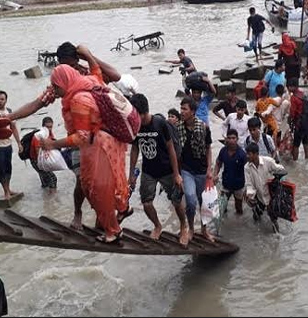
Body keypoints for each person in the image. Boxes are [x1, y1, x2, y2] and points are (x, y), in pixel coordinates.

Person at [6, 43, 122, 231]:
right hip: (76, 137)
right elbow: (36, 104)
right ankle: (78, 213)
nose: (65, 68)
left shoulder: (88, 74)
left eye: (69, 64)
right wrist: (9, 117)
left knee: (103, 182)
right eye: (62, 64)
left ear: (77, 61)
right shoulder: (60, 81)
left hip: (99, 137)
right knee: (82, 182)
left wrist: (89, 55)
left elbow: (115, 76)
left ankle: (104, 218)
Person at [41, 64, 129, 244]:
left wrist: (53, 144)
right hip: (106, 143)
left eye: (56, 86)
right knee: (94, 185)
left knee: (96, 189)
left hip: (99, 146)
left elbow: (82, 137)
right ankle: (119, 214)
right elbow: (97, 73)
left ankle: (112, 231)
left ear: (65, 82)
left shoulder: (77, 99)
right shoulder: (87, 82)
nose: (55, 91)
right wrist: (88, 56)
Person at [129, 94, 188, 244]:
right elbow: (135, 149)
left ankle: (183, 226)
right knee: (146, 202)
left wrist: (177, 174)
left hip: (167, 170)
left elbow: (171, 149)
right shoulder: (135, 125)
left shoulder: (160, 123)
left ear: (143, 112)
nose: (135, 118)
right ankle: (157, 225)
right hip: (148, 171)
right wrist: (131, 174)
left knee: (176, 201)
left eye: (136, 115)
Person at [178, 97, 214, 242]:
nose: (181, 112)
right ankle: (191, 228)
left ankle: (204, 230)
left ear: (193, 111)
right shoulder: (178, 128)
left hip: (202, 170)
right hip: (187, 170)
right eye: (181, 108)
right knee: (191, 201)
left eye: (184, 109)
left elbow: (208, 149)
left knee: (204, 203)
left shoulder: (203, 127)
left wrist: (210, 170)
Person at [244, 143, 287, 231]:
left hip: (271, 195)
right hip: (259, 195)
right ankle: (257, 233)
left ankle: (277, 238)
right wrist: (250, 196)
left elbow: (281, 169)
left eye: (249, 154)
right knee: (256, 216)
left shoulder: (268, 161)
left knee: (273, 219)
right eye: (246, 153)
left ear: (256, 154)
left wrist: (277, 179)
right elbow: (249, 184)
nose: (247, 156)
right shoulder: (247, 167)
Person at [0, 91, 22, 200]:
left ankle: (8, 188)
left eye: (2, 99)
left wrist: (19, 143)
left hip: (7, 144)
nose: (0, 101)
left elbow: (13, 128)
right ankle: (6, 191)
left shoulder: (10, 112)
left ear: (6, 100)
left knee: (8, 168)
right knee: (1, 169)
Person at [213, 129, 248, 215]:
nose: (231, 140)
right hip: (226, 184)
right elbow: (218, 163)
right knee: (222, 208)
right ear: (226, 139)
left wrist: (248, 188)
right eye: (229, 138)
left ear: (237, 139)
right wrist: (215, 175)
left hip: (239, 185)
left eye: (233, 138)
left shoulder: (242, 154)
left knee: (239, 209)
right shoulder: (223, 151)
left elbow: (248, 171)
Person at [29, 117, 58, 193]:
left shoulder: (49, 133)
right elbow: (38, 153)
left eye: (51, 127)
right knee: (53, 179)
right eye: (47, 127)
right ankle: (52, 200)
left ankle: (46, 201)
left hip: (41, 159)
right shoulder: (38, 136)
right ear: (43, 127)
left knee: (45, 183)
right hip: (37, 161)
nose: (49, 129)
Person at [287, 78, 308, 161]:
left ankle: (295, 163)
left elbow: (292, 113)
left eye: (289, 86)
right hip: (307, 123)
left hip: (299, 124)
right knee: (306, 143)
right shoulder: (303, 94)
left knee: (296, 145)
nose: (288, 88)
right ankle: (307, 159)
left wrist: (289, 121)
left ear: (293, 87)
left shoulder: (294, 97)